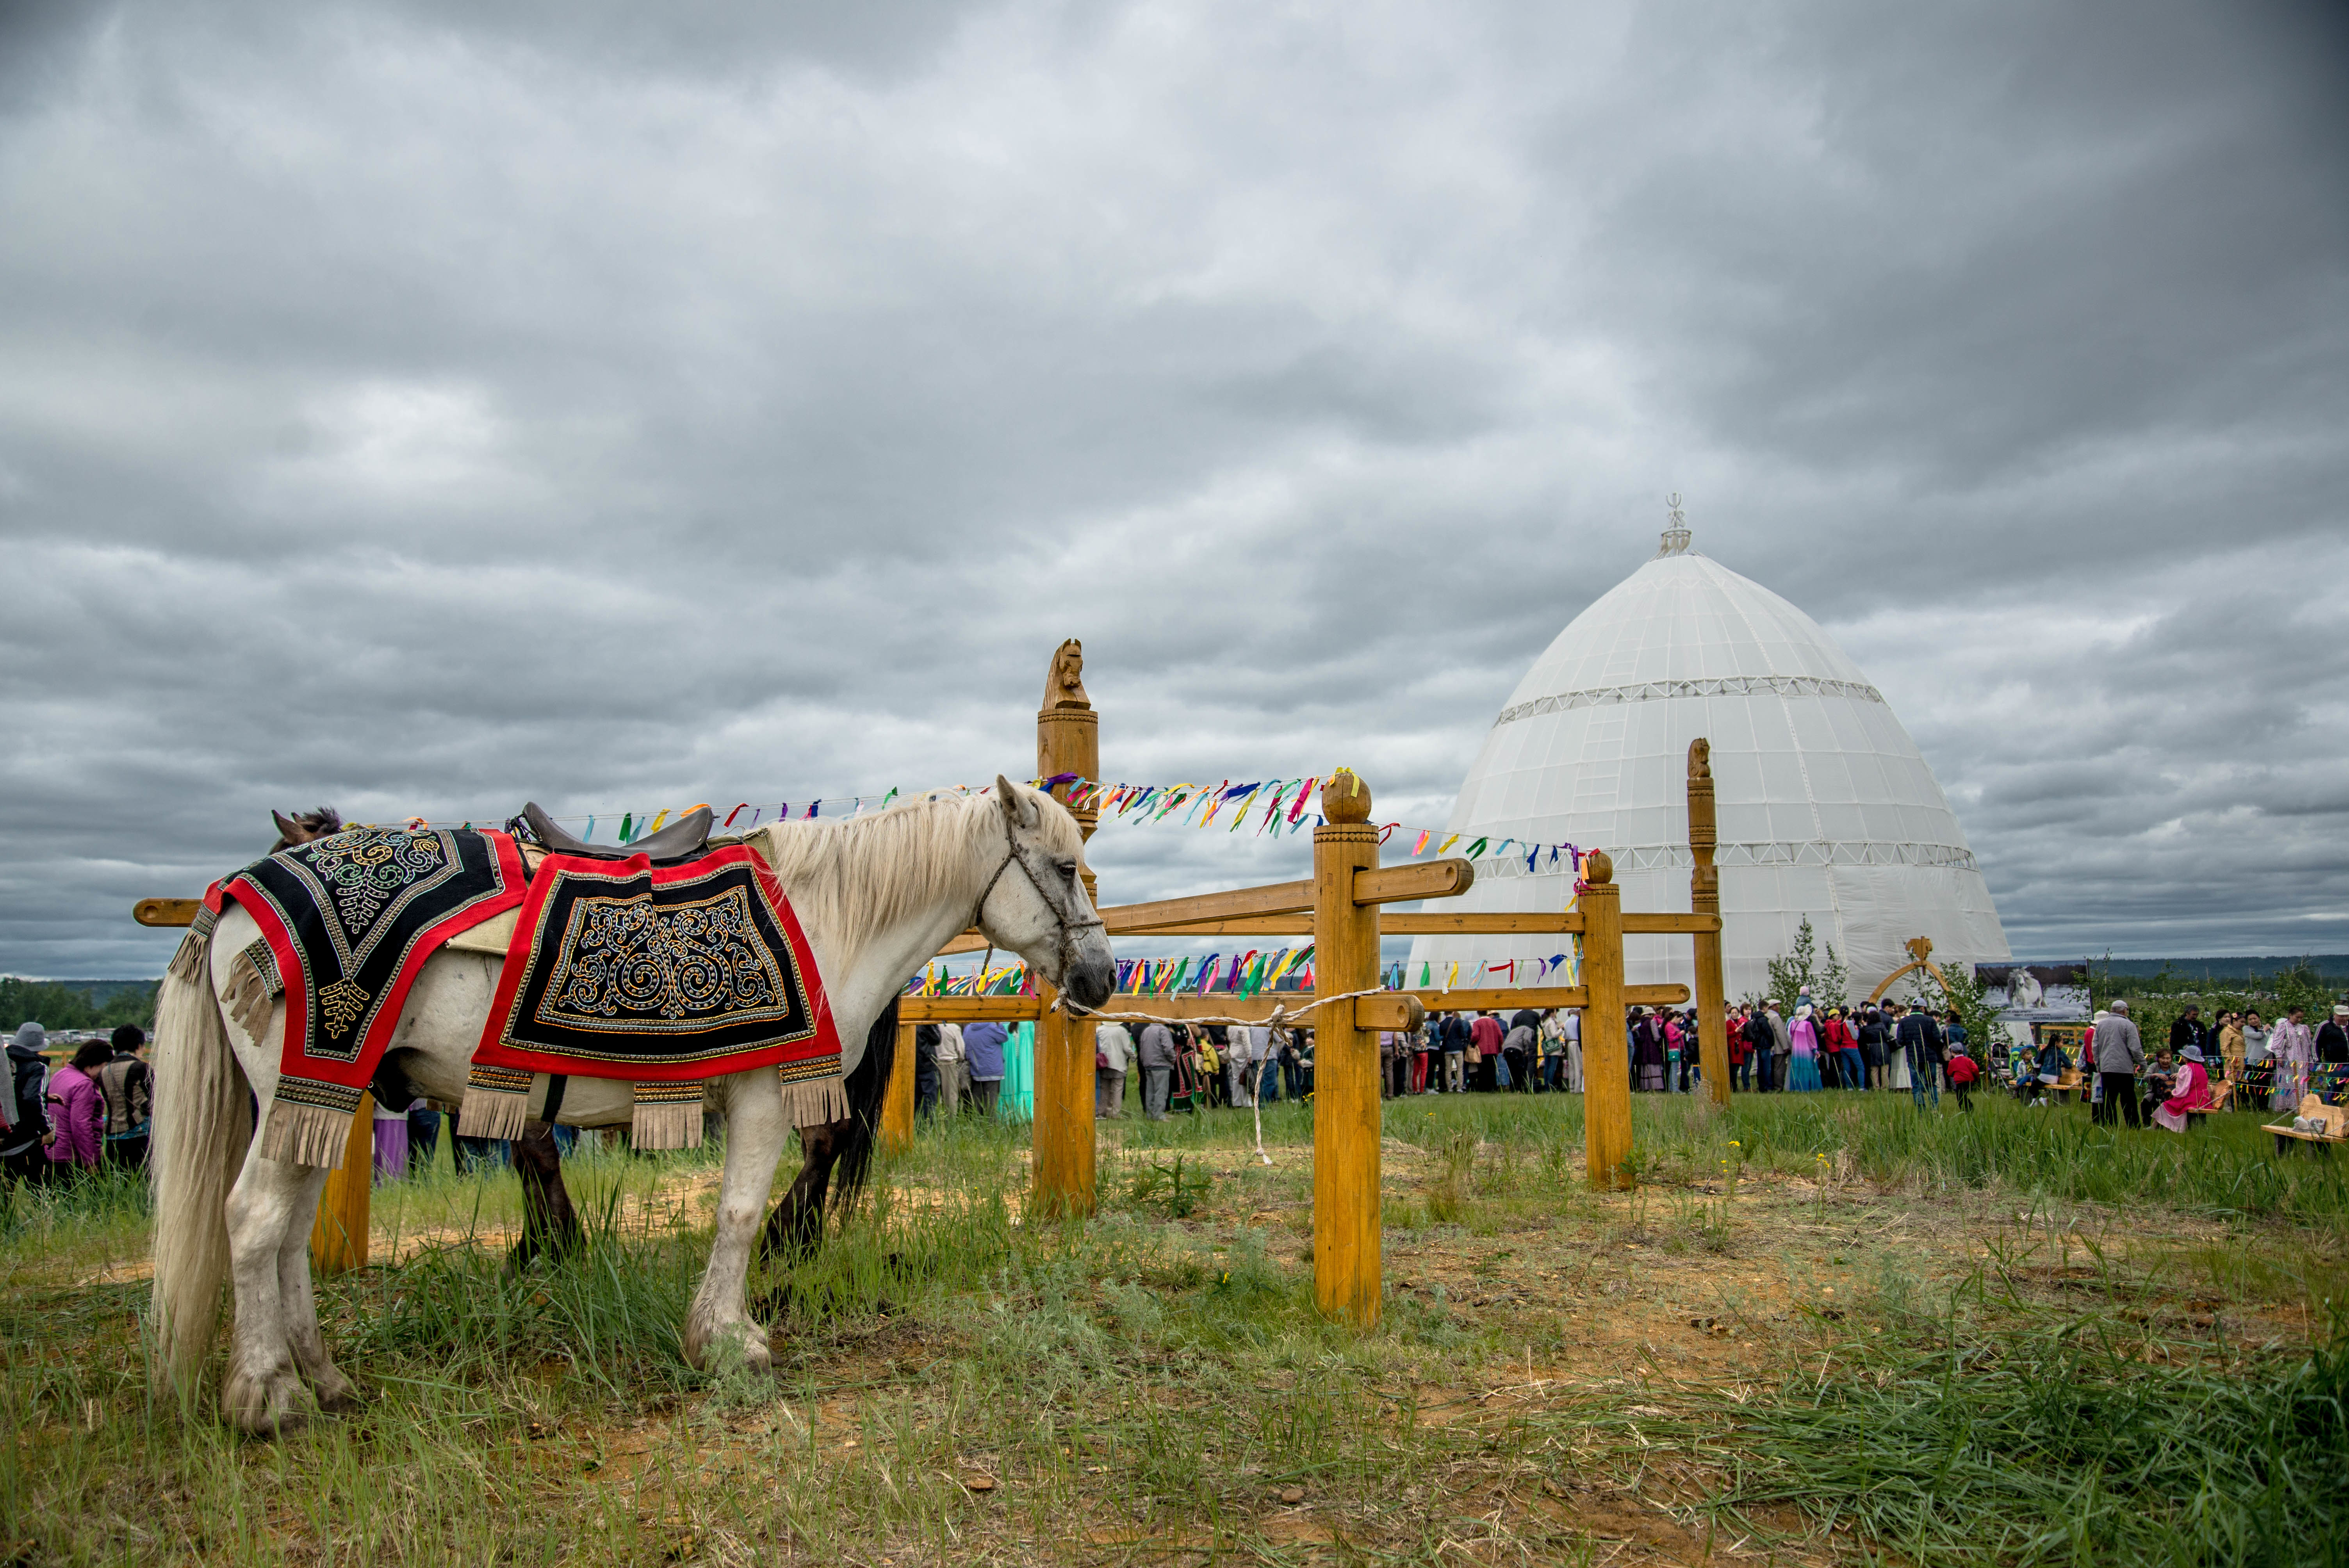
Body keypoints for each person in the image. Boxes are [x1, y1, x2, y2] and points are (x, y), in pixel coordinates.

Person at [43, 1039, 110, 1180]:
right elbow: (81, 1125)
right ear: (95, 1063)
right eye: (104, 1066)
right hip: (73, 1155)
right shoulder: (84, 1085)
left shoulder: (61, 1074)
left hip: (54, 1150)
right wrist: (91, 1161)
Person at [2, 1023, 52, 1186]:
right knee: (41, 1192)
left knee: (4, 1197)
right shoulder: (38, 1067)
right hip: (28, 1140)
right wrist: (47, 1129)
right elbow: (32, 1098)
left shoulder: (4, 1064)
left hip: (3, 1137)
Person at [98, 1025, 153, 1171]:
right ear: (139, 1045)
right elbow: (155, 1100)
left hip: (113, 1138)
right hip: (140, 1136)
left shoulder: (104, 1071)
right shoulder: (141, 1068)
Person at [2090, 998, 2144, 1126]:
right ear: (2125, 1011)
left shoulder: (2101, 1025)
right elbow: (2135, 1048)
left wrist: (2098, 1065)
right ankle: (2133, 1125)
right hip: (2124, 1069)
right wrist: (2143, 1064)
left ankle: (2110, 1124)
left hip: (2106, 1068)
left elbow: (2095, 1047)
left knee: (2109, 1099)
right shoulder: (2129, 1025)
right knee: (2129, 1099)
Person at [2152, 1044, 2215, 1132]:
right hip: (2203, 1099)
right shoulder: (2202, 1068)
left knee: (2166, 1105)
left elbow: (2183, 1088)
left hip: (2192, 1099)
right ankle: (2162, 1128)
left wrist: (2174, 1093)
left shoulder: (2186, 1068)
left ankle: (2155, 1127)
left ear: (2186, 1057)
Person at [1895, 1002, 1943, 1110]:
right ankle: (1934, 1108)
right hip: (1930, 1057)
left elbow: (1900, 1041)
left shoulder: (1904, 1021)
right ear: (1923, 1008)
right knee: (1931, 1084)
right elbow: (1937, 1040)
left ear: (1911, 1009)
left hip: (1913, 1058)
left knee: (1917, 1086)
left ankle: (1921, 1110)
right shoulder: (1930, 1021)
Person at [2270, 1006, 2314, 1111]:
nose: (2299, 1020)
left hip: (2302, 1059)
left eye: (2301, 1018)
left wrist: (2310, 1058)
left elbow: (2308, 1044)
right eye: (2297, 1017)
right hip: (2288, 1059)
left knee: (2300, 1082)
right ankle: (2287, 1106)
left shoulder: (2303, 1028)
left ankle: (2300, 1106)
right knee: (2288, 1082)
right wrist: (2279, 1056)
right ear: (2290, 1015)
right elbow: (2277, 1042)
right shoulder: (2283, 1026)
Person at [963, 1019, 1009, 1116]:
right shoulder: (991, 1027)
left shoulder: (968, 1029)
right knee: (991, 1104)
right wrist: (999, 1024)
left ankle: (978, 1126)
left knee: (977, 1103)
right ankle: (991, 1127)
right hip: (993, 1071)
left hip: (976, 1071)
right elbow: (1004, 1037)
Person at [1138, 1019, 1175, 1121]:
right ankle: (1159, 1115)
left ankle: (1150, 1114)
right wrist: (1173, 1059)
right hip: (1161, 1064)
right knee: (1161, 1091)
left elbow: (1142, 1049)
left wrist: (1144, 1061)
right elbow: (1168, 1048)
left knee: (1150, 1091)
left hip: (1148, 1065)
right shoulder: (1163, 1030)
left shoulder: (1146, 1031)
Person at [1095, 1019, 1134, 1118]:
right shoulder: (1122, 1031)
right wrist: (1134, 1057)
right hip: (1119, 1064)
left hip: (1103, 1063)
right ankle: (1114, 1113)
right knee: (1117, 1089)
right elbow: (1127, 1048)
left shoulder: (1099, 1030)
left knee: (1104, 1088)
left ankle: (1102, 1111)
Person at [934, 1021, 969, 1116]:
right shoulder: (954, 1028)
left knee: (936, 1095)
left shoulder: (935, 1026)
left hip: (934, 1062)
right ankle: (951, 1120)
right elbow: (961, 1049)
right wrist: (961, 1058)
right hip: (949, 1062)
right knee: (951, 1095)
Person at [1786, 1006, 1822, 1091]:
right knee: (1808, 1068)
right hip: (1806, 1051)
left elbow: (1791, 1037)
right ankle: (1809, 1087)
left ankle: (1797, 1087)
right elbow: (1811, 1038)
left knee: (1798, 1069)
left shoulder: (1792, 1023)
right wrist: (1815, 1050)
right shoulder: (1807, 1024)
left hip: (1796, 1050)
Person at [914, 1022, 941, 1120]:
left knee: (916, 1101)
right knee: (930, 1101)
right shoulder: (926, 1023)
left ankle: (916, 1128)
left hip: (913, 1067)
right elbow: (937, 1039)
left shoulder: (911, 1023)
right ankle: (927, 1129)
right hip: (928, 1065)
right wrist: (934, 1024)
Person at [1438, 1011, 1469, 1094]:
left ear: (1445, 1014)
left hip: (1447, 1049)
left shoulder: (1442, 1024)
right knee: (1460, 1069)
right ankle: (1459, 1088)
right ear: (1452, 1013)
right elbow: (1463, 1035)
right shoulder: (1458, 1022)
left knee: (1448, 1070)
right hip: (1458, 1048)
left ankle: (1449, 1088)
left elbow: (1441, 1036)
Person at [1946, 1043, 1980, 1111]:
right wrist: (1976, 1079)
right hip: (1969, 1081)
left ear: (1953, 1052)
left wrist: (1955, 1074)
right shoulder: (1968, 1060)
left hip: (1960, 1083)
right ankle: (1969, 1108)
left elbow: (1949, 1073)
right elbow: (1976, 1069)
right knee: (1964, 1096)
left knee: (1960, 1098)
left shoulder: (1952, 1062)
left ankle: (1968, 1109)